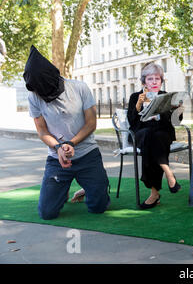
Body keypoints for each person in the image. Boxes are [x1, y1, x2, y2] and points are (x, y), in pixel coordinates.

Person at [23, 45, 110, 220]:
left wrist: (71, 143)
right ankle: (63, 188)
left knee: (98, 207)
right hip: (57, 159)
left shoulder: (79, 88)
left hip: (87, 154)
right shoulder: (33, 97)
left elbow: (91, 123)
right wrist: (59, 148)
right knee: (47, 213)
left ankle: (95, 184)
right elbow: (41, 130)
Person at [127, 62, 182, 209]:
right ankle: (169, 173)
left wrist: (178, 111)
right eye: (150, 79)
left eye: (157, 79)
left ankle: (154, 194)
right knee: (149, 136)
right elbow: (132, 122)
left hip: (162, 132)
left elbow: (176, 121)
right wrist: (138, 105)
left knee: (155, 139)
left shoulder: (165, 96)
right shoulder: (135, 97)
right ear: (144, 81)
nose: (154, 82)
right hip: (141, 133)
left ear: (161, 81)